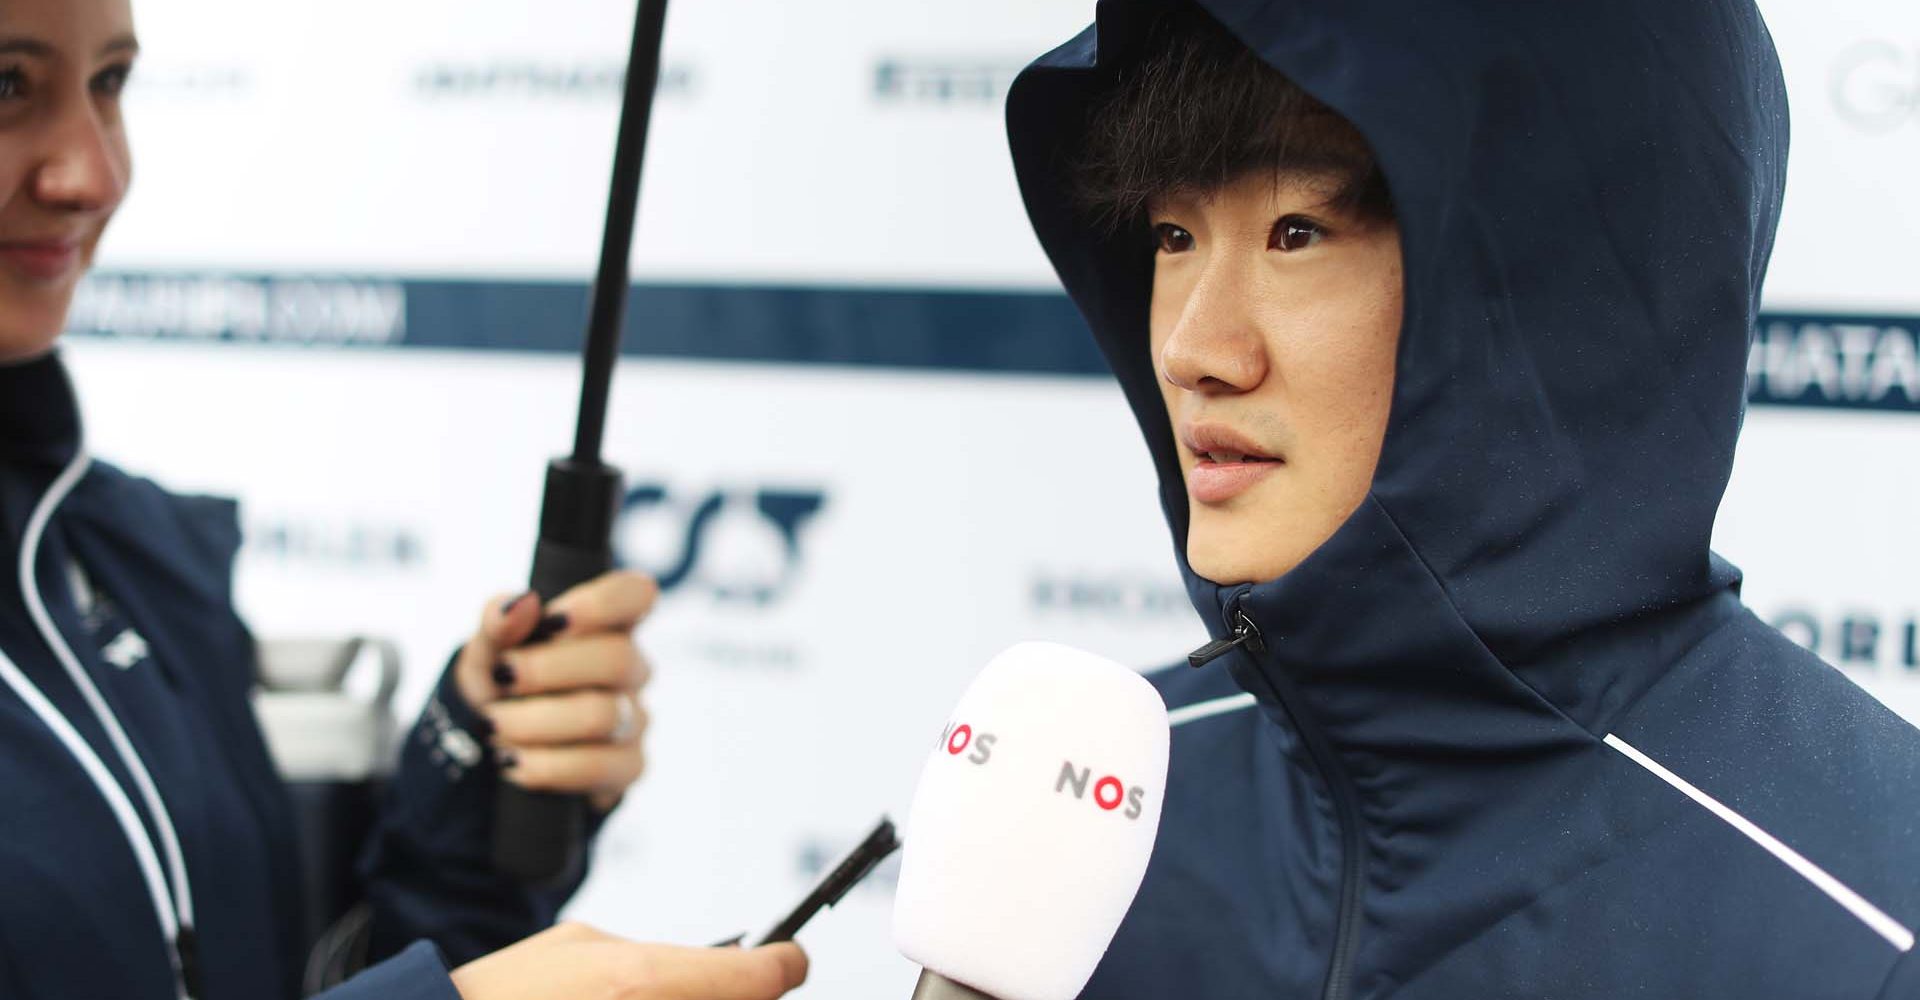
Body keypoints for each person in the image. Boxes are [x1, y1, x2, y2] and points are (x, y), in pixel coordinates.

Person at [1006, 2, 1920, 998]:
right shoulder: (1100, 787)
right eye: (1172, 235)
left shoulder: (1873, 910)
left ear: (1547, 295)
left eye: (1296, 232)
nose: (1193, 350)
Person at [0, 1, 807, 998]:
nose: (89, 173)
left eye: (110, 82)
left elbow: (306, 974)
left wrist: (478, 777)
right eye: (7, 88)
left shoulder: (130, 551)